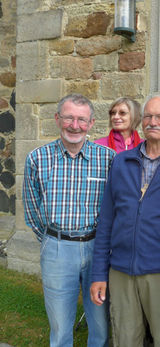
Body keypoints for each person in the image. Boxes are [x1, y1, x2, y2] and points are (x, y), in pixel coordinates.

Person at [90, 95, 160, 347]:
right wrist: (99, 273)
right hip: (121, 272)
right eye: (148, 116)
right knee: (125, 339)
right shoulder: (121, 162)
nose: (152, 121)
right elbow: (106, 220)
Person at [22, 94, 115, 347]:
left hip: (97, 249)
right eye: (69, 118)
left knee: (100, 324)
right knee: (61, 327)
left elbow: (115, 206)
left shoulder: (108, 159)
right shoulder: (37, 159)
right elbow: (31, 209)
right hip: (57, 248)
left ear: (92, 122)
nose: (75, 125)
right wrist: (52, 241)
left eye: (82, 120)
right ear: (57, 119)